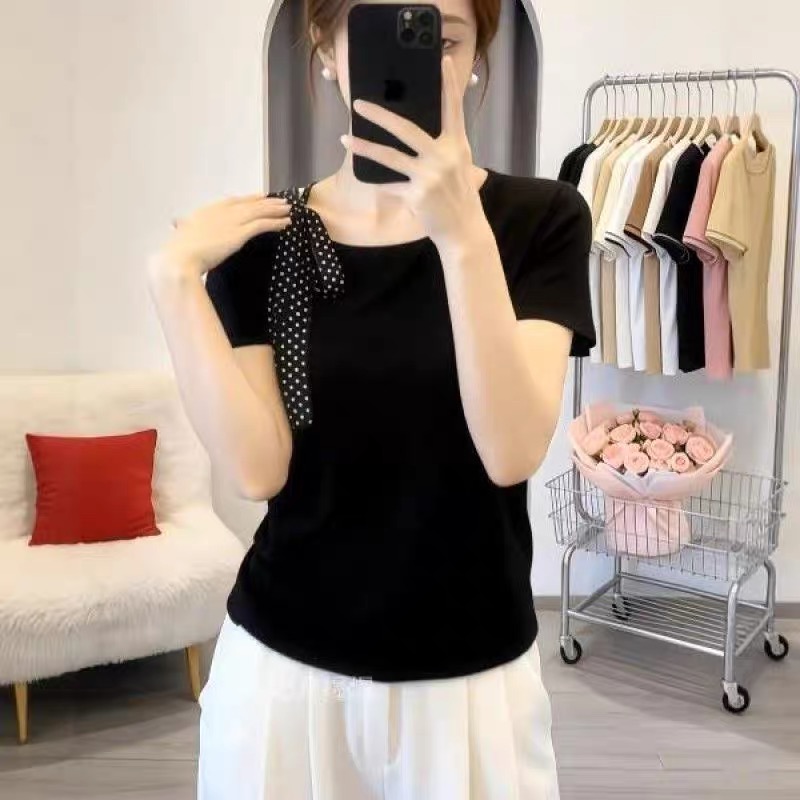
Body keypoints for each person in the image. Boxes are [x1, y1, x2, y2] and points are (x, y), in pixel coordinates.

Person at [146, 1, 595, 797]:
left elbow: (511, 451)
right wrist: (174, 280)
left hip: (469, 677)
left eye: (445, 38)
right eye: (381, 29)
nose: (425, 58)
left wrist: (461, 234)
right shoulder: (266, 240)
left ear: (477, 58)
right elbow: (257, 470)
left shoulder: (539, 220)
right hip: (284, 675)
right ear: (326, 49)